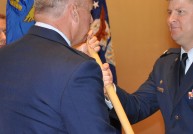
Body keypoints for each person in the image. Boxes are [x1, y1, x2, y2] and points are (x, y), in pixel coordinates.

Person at [102, 0, 193, 133]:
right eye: (169, 12)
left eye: (180, 12)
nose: (171, 19)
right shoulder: (165, 64)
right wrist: (109, 89)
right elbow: (136, 108)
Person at [0, 0, 116, 133]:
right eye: (89, 11)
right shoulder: (79, 69)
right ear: (73, 12)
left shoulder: (4, 56)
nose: (91, 19)